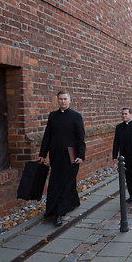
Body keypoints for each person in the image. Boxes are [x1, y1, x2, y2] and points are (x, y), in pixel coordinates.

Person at [38, 90, 86, 226]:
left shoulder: (76, 116)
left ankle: (59, 213)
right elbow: (47, 137)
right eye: (60, 99)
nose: (62, 101)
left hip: (71, 155)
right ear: (57, 100)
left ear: (69, 100)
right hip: (56, 155)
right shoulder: (53, 116)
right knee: (55, 182)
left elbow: (81, 138)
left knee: (66, 183)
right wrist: (42, 154)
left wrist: (81, 155)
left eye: (65, 99)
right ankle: (72, 202)